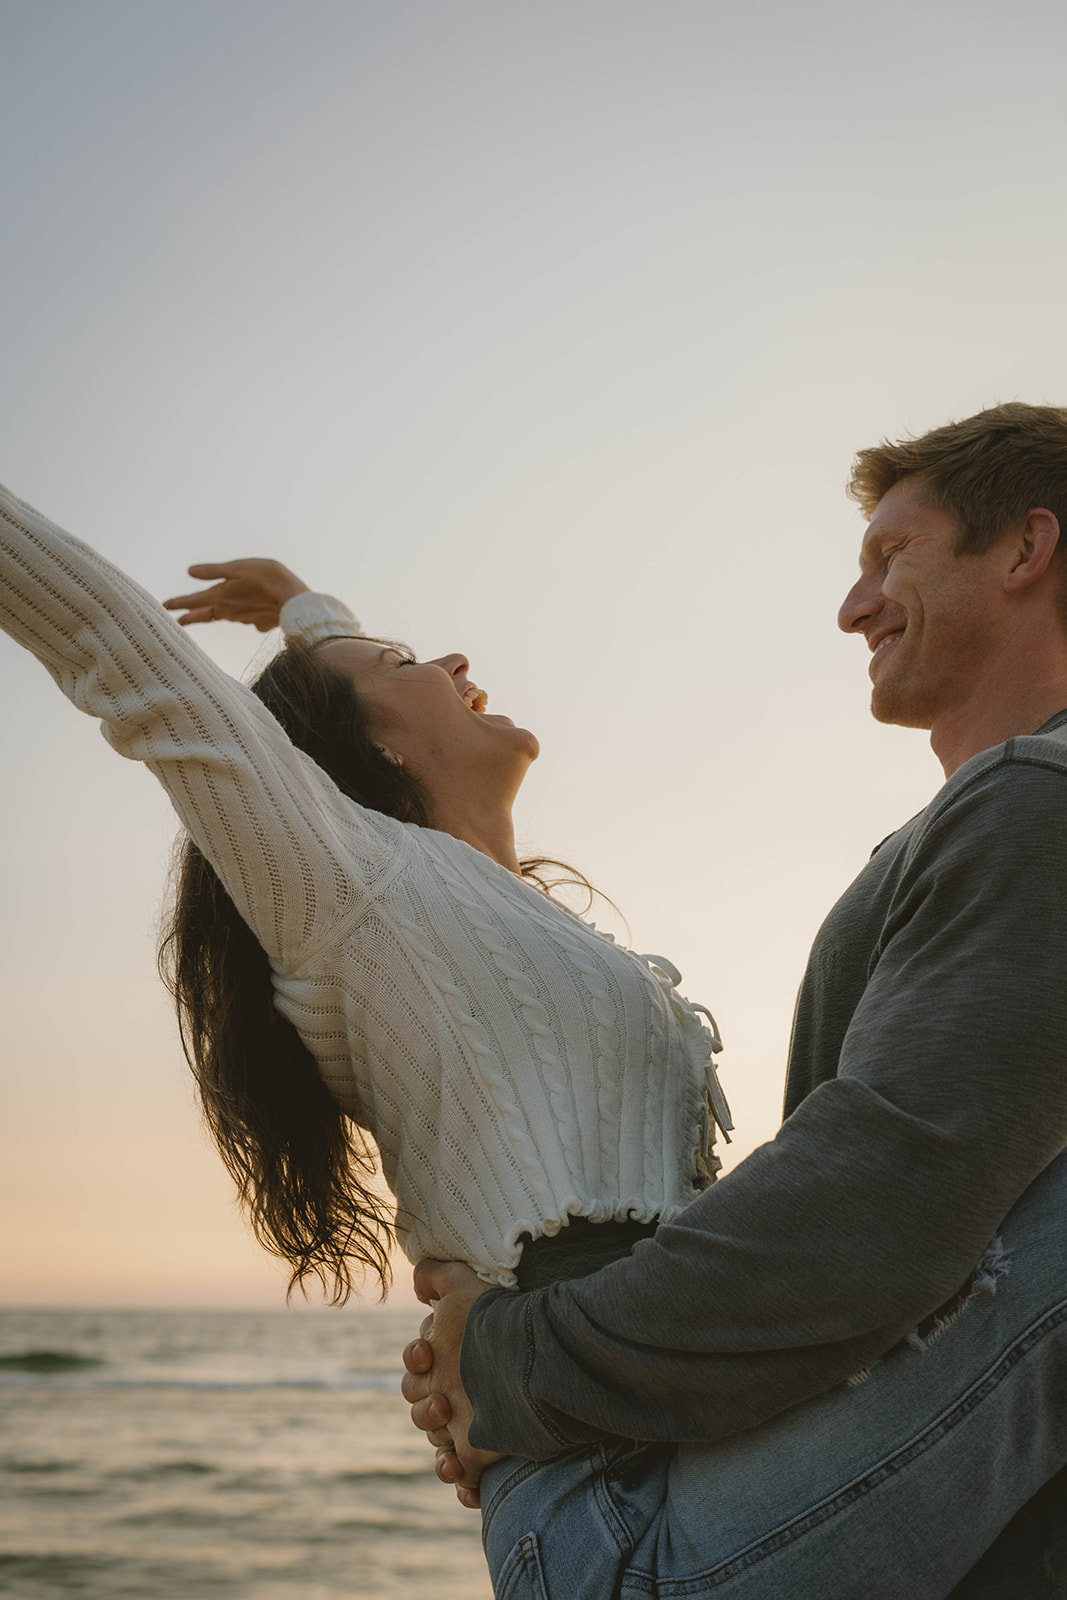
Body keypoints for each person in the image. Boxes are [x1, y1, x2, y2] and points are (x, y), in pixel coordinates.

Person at [402, 402, 1067, 1599]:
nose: (851, 605)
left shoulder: (1034, 797)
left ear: (1023, 552)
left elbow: (875, 1197)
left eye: (890, 557)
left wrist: (511, 1366)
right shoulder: (976, 822)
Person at [0, 487, 729, 1313]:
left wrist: (297, 604)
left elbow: (338, 691)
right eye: (402, 664)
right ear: (372, 748)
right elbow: (124, 648)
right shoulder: (352, 882)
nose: (454, 663)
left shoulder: (497, 913)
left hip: (677, 1324)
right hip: (580, 1359)